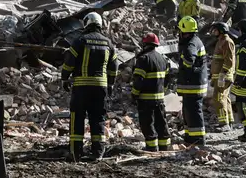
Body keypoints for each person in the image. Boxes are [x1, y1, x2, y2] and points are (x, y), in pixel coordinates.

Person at [61, 12, 119, 161]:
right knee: (98, 118)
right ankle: (98, 153)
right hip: (100, 88)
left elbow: (69, 62)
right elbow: (114, 66)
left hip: (81, 87)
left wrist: (64, 78)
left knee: (77, 118)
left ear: (87, 23)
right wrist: (111, 83)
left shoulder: (80, 41)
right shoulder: (108, 43)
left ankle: (75, 153)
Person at [131, 32, 171, 152]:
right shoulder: (163, 59)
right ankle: (164, 147)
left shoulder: (143, 59)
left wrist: (134, 94)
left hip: (146, 99)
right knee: (161, 123)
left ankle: (152, 147)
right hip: (160, 99)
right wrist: (162, 92)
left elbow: (138, 80)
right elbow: (167, 80)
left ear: (145, 44)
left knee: (147, 123)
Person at [176, 15, 208, 147]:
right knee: (188, 111)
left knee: (193, 112)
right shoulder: (195, 40)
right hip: (194, 83)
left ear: (184, 31)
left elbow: (189, 60)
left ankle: (198, 139)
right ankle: (190, 136)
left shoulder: (191, 44)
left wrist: (183, 68)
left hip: (193, 84)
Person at [207, 22, 236, 128]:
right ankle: (230, 121)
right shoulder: (221, 41)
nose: (213, 32)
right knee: (224, 97)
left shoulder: (227, 41)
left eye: (215, 30)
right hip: (219, 75)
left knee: (218, 98)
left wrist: (222, 75)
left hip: (223, 76)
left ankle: (224, 123)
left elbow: (229, 61)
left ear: (221, 30)